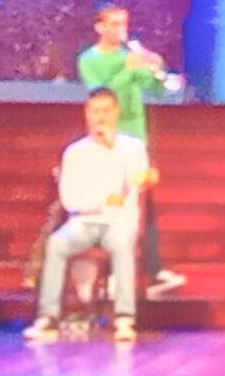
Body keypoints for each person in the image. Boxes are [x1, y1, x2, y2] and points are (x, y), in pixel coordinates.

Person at [74, 3, 187, 297]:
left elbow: (158, 89)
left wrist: (157, 70)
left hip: (136, 139)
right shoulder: (89, 59)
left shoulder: (130, 56)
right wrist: (128, 68)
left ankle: (153, 270)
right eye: (113, 24)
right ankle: (112, 274)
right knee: (113, 203)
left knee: (144, 204)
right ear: (99, 27)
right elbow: (102, 95)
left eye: (123, 24)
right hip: (107, 140)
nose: (120, 30)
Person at [27, 87, 154, 342]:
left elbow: (137, 183)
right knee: (57, 243)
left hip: (120, 222)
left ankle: (124, 318)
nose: (101, 117)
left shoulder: (133, 148)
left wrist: (112, 150)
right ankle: (48, 317)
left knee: (122, 244)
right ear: (87, 113)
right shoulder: (74, 153)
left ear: (116, 113)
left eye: (106, 111)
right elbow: (70, 199)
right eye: (95, 111)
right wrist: (103, 200)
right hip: (83, 222)